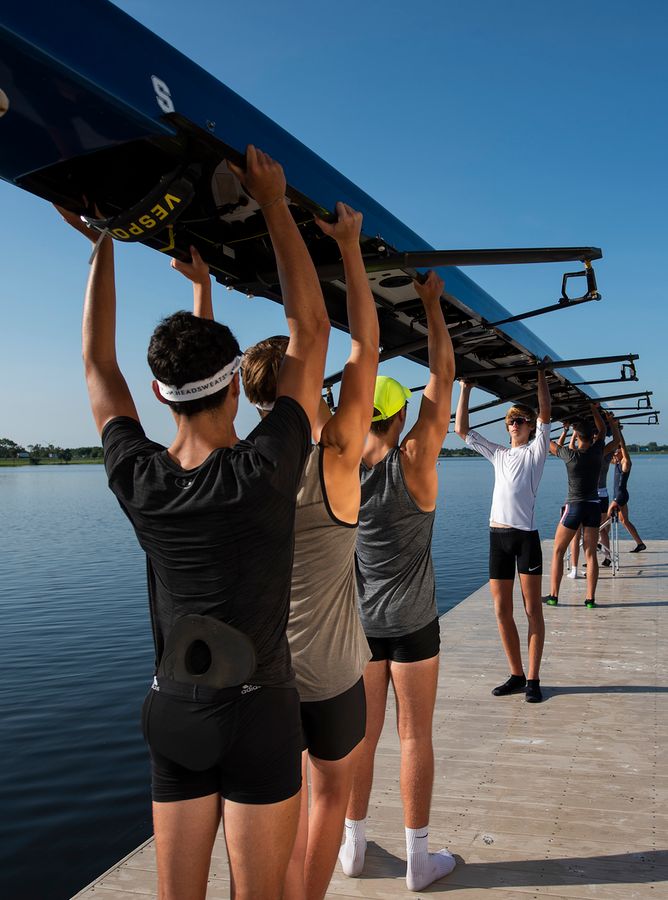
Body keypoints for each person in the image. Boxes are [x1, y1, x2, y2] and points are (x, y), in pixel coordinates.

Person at [58, 145, 331, 900]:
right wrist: (274, 204)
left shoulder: (139, 479)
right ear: (236, 393)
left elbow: (95, 365)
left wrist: (104, 242)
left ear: (160, 391)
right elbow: (310, 328)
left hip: (175, 710)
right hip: (262, 714)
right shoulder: (264, 468)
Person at [182, 202, 378, 900]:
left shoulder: (236, 463)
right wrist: (349, 249)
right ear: (306, 387)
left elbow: (201, 398)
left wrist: (202, 294)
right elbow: (365, 351)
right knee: (330, 796)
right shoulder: (338, 457)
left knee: (277, 807)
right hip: (330, 676)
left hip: (263, 680)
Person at [340, 271, 457, 893]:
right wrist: (433, 307)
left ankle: (353, 846)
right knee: (416, 735)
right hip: (414, 625)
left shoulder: (338, 466)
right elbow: (444, 377)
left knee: (363, 735)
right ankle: (418, 861)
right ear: (402, 414)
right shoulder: (416, 462)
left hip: (360, 626)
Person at [455, 371, 551, 703]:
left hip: (526, 539)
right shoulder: (498, 454)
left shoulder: (536, 452)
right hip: (497, 537)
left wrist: (541, 375)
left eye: (521, 421)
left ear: (530, 427)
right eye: (512, 421)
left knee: (531, 609)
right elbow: (462, 430)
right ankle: (516, 674)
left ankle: (534, 680)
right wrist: (464, 388)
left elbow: (545, 412)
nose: (515, 424)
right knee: (500, 610)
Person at [545, 404, 607, 609]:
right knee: (590, 554)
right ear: (593, 437)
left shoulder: (571, 456)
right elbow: (605, 431)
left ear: (578, 437)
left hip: (574, 507)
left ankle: (553, 596)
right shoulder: (598, 452)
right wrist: (595, 410)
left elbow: (549, 444)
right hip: (593, 507)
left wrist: (564, 430)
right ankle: (590, 599)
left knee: (558, 552)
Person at [566, 415, 620, 577]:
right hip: (599, 497)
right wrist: (614, 426)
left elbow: (571, 448)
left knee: (588, 532)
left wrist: (574, 432)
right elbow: (614, 442)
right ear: (592, 438)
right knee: (600, 530)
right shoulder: (600, 452)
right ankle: (605, 557)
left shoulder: (593, 453)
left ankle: (594, 560)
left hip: (590, 496)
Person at [608, 429, 646, 552]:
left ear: (621, 452)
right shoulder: (617, 462)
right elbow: (604, 455)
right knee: (624, 521)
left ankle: (600, 544)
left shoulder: (626, 463)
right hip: (619, 495)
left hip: (620, 496)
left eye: (616, 451)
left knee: (605, 519)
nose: (614, 453)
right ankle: (640, 544)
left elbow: (623, 448)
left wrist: (618, 432)